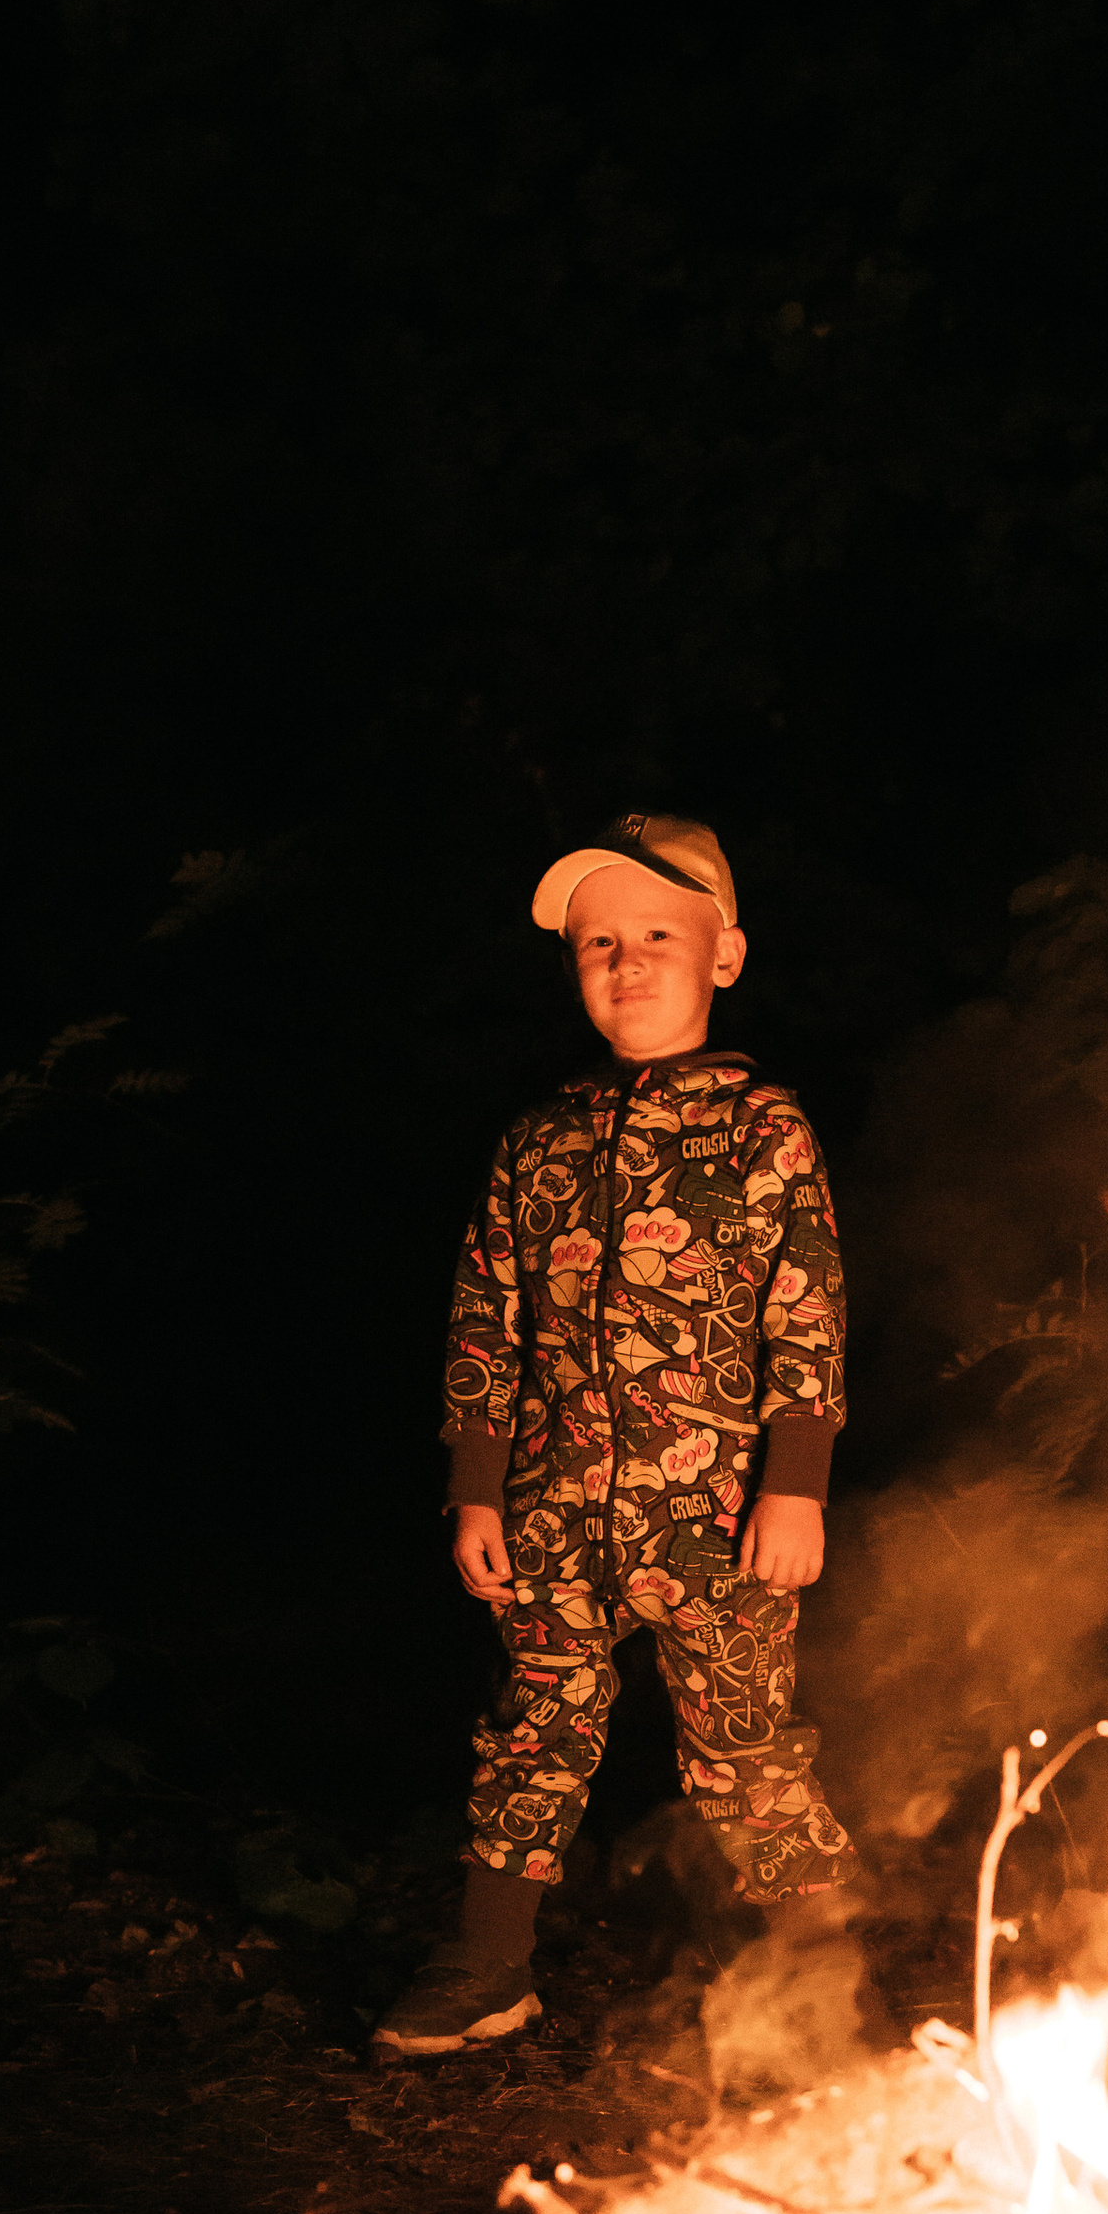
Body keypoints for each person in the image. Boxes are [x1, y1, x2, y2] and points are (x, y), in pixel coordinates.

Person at [374, 811, 856, 2057]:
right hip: (551, 1506)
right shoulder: (536, 1143)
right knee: (532, 1724)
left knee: (745, 1744)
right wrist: (476, 1488)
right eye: (599, 942)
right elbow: (484, 1322)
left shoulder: (761, 1130)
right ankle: (487, 1966)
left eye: (656, 934)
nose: (626, 963)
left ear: (724, 955)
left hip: (716, 1515)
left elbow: (806, 1311)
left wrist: (793, 1486)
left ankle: (822, 1978)